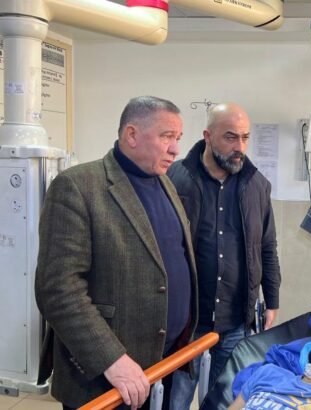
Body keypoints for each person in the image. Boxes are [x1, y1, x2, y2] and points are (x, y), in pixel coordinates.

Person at [35, 96, 198, 410]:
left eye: (178, 138)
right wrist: (112, 360)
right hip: (107, 378)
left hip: (163, 366)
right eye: (167, 136)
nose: (176, 149)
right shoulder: (78, 186)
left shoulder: (165, 184)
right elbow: (58, 289)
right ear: (132, 135)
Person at [167, 102, 281, 407]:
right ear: (208, 136)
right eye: (230, 137)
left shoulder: (257, 186)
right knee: (176, 400)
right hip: (188, 320)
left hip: (235, 319)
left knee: (222, 401)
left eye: (245, 137)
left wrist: (272, 299)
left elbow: (267, 246)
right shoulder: (175, 178)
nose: (239, 147)